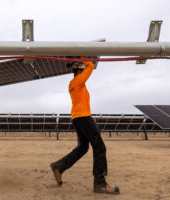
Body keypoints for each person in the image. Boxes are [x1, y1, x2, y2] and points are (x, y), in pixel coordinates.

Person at [50, 57, 120, 194]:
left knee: (83, 147)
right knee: (99, 147)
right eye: (82, 69)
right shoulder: (77, 81)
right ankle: (100, 183)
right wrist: (82, 57)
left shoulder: (77, 84)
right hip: (83, 117)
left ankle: (59, 167)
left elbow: (88, 69)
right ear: (79, 71)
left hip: (78, 117)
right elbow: (91, 67)